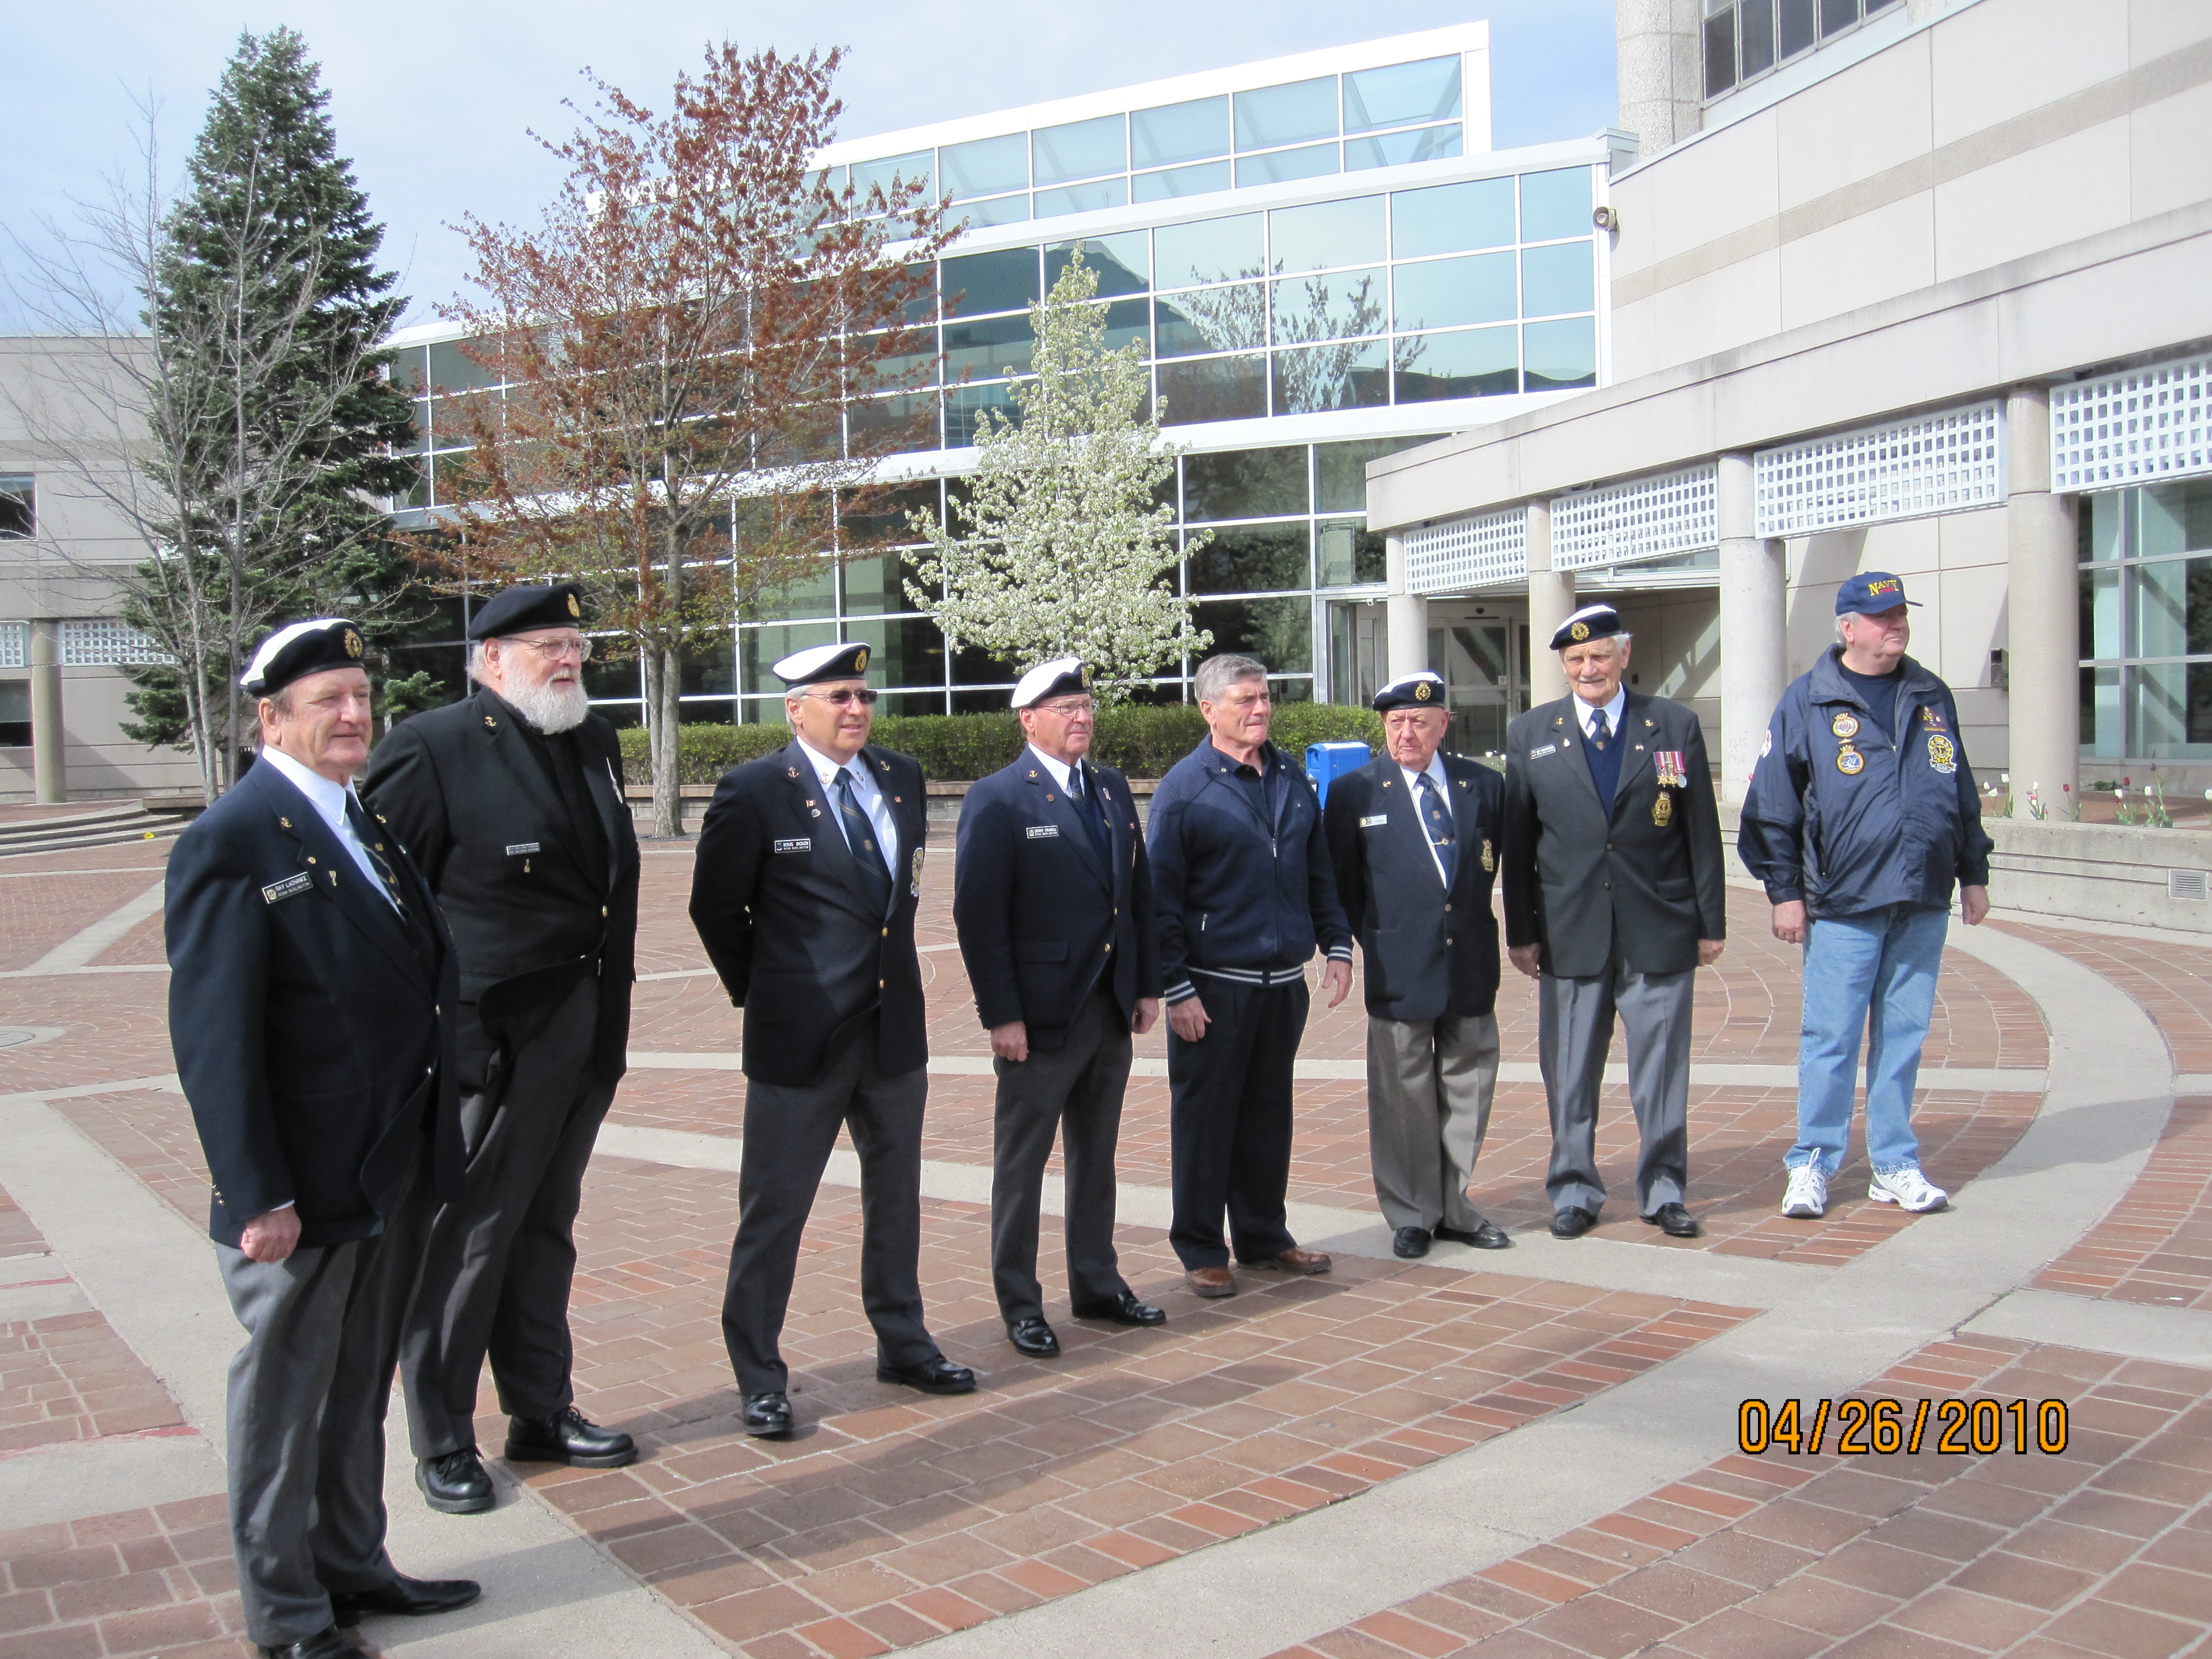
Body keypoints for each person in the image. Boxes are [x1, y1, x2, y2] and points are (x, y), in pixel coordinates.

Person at [166, 619, 477, 1659]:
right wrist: (256, 1192)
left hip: (386, 1169)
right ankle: (288, 1614)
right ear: (270, 719)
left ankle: (352, 1562)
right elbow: (216, 1040)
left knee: (356, 1386)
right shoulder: (234, 838)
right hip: (299, 1186)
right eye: (327, 702)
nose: (354, 717)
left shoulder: (360, 816)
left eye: (359, 696)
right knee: (283, 1402)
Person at [362, 582, 641, 1514]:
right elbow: (381, 912)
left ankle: (540, 1408)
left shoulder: (590, 743)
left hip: (582, 1034)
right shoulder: (431, 750)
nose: (567, 660)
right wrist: (436, 1038)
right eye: (544, 646)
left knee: (544, 1230)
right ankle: (442, 1436)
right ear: (488, 660)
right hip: (488, 1042)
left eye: (574, 642)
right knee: (470, 1239)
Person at [688, 640, 974, 1436]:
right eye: (839, 696)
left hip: (892, 1033)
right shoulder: (754, 792)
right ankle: (759, 1373)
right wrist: (772, 990)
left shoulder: (901, 777)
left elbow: (899, 899)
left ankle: (904, 1341)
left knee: (897, 1200)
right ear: (796, 708)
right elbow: (716, 911)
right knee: (775, 1210)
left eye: (863, 695)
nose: (856, 709)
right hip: (800, 1040)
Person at [1739, 571, 1994, 1220]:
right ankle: (1813, 1164)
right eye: (1881, 618)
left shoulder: (1930, 694)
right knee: (1831, 1037)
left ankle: (1894, 1163)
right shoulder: (1808, 700)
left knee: (1903, 1035)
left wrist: (1973, 872)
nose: (1895, 626)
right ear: (1847, 628)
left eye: (1900, 614)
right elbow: (1772, 805)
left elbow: (1956, 787)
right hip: (1843, 901)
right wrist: (1784, 891)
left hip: (1921, 896)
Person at [953, 658, 1166, 1358]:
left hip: (1107, 1008)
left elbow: (1135, 896)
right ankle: (1019, 1302)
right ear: (1028, 720)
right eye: (1065, 708)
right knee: (1022, 1165)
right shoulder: (999, 798)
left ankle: (1097, 1284)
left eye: (1086, 705)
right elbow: (979, 916)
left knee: (1096, 1158)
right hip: (1039, 1017)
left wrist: (1143, 985)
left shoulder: (1108, 789)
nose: (1081, 718)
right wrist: (1000, 1015)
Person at [1501, 603, 1726, 1240]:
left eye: (1599, 655)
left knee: (1660, 1070)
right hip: (1570, 931)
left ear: (1624, 656)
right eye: (1575, 660)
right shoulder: (1531, 733)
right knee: (1569, 1071)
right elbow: (1517, 845)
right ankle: (1573, 1189)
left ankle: (1663, 1190)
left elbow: (1699, 832)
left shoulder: (1671, 726)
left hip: (1658, 924)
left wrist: (1711, 921)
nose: (1587, 668)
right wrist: (1521, 931)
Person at [1147, 653, 1355, 1297]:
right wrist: (1176, 987)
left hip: (1280, 986)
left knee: (1268, 1116)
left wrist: (1337, 943)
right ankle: (1203, 1246)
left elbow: (1316, 866)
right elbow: (1160, 900)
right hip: (1213, 989)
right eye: (1244, 700)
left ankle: (1264, 1236)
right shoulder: (1186, 790)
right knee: (1207, 1121)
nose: (1260, 709)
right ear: (1209, 710)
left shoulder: (1289, 775)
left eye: (1264, 698)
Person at [1323, 671, 1511, 1259]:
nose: (1406, 734)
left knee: (1468, 1086)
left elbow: (1489, 867)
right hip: (1398, 963)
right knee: (1401, 1094)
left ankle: (1453, 1204)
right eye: (1396, 722)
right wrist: (1372, 940)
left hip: (1470, 961)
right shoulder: (1356, 792)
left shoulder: (1483, 785)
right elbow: (1343, 884)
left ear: (1443, 726)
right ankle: (1411, 1211)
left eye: (1419, 723)